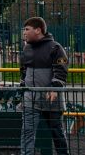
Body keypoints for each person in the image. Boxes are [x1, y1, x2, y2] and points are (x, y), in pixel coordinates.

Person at [20, 16, 69, 155]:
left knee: (57, 132)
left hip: (51, 98)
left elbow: (61, 69)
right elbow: (23, 71)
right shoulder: (26, 48)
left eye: (27, 29)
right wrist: (23, 87)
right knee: (27, 132)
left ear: (38, 30)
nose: (24, 33)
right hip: (31, 98)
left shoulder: (55, 47)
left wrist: (54, 89)